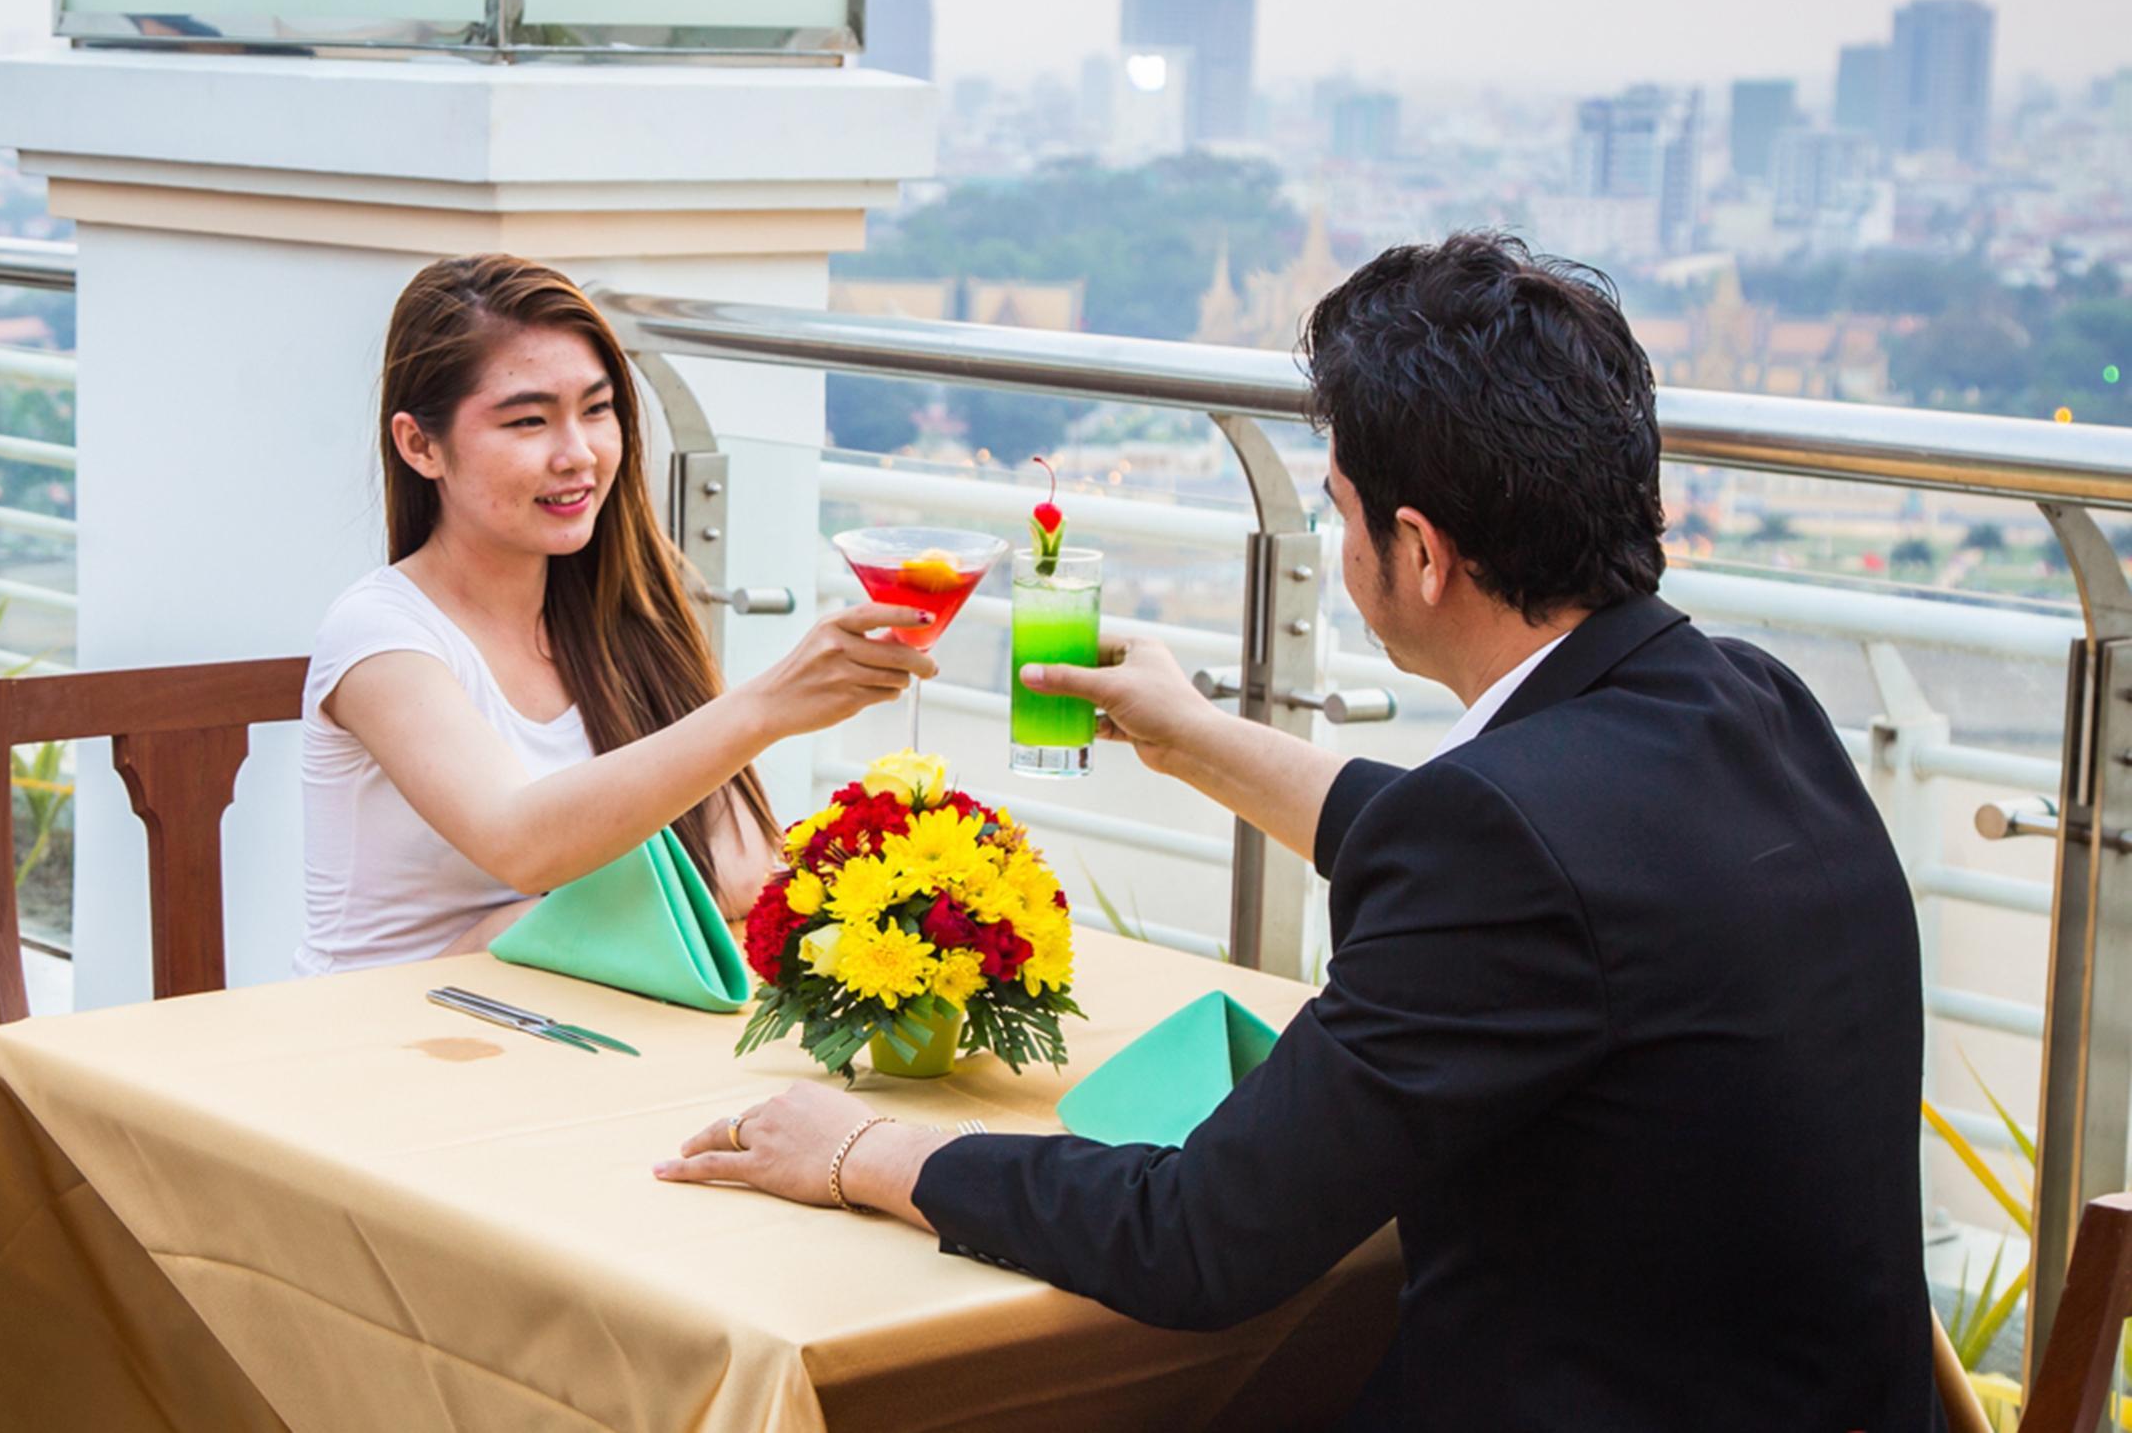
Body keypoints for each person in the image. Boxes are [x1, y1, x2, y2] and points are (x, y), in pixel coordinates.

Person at [660, 232, 1940, 1431]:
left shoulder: (1501, 841)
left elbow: (1202, 1238)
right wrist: (1187, 732)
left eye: (1336, 510)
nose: (1333, 542)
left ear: (1422, 551)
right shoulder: (1750, 699)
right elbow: (1519, 863)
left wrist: (868, 1151)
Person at [299, 254, 936, 975]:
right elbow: (519, 839)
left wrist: (523, 925)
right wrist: (768, 705)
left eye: (597, 411)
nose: (579, 455)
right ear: (421, 445)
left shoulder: (617, 617)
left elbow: (742, 868)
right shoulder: (382, 637)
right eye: (529, 420)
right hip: (381, 1044)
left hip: (564, 1021)